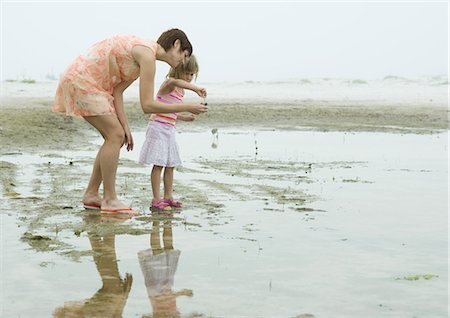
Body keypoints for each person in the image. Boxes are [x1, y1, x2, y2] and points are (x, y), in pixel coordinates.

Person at [52, 29, 208, 215]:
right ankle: (110, 200)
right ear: (176, 44)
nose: (183, 61)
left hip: (83, 80)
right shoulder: (147, 56)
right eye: (184, 55)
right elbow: (148, 105)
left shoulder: (144, 53)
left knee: (116, 136)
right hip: (83, 80)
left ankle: (92, 194)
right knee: (115, 136)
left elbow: (118, 91)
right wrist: (186, 106)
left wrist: (125, 126)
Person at [139, 55, 206, 210]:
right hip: (157, 128)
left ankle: (168, 196)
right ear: (177, 70)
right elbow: (176, 81)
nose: (189, 78)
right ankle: (156, 199)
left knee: (170, 164)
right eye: (187, 73)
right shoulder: (169, 83)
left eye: (192, 75)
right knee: (159, 164)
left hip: (169, 130)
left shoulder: (180, 90)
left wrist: (183, 117)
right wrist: (196, 89)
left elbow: (170, 111)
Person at [138, 216, 193, 318]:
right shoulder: (171, 314)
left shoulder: (160, 314)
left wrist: (182, 293)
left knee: (156, 251)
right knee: (169, 249)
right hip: (167, 284)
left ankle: (156, 221)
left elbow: (163, 299)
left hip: (157, 286)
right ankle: (167, 219)